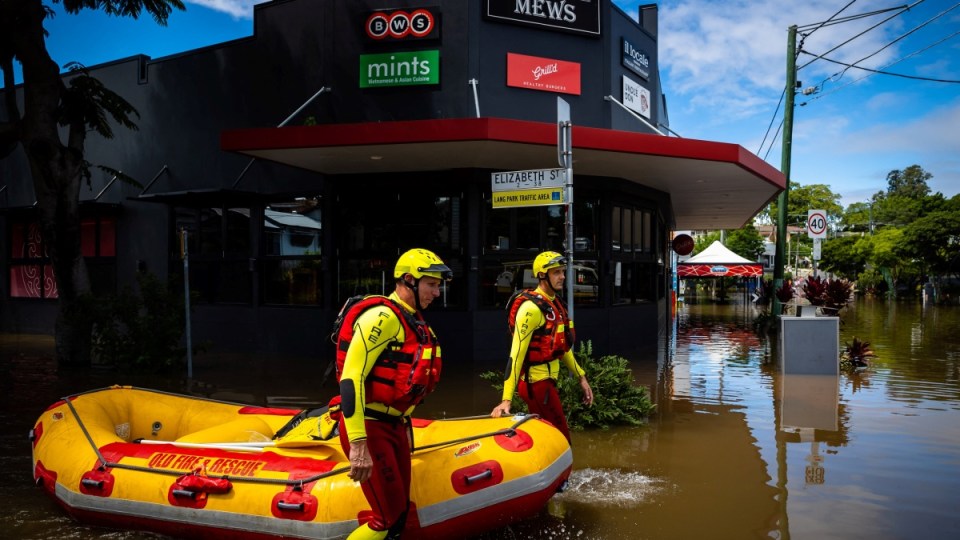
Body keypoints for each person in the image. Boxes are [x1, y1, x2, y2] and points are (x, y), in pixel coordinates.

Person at [333, 248, 452, 540]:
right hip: (370, 428)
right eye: (432, 285)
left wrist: (405, 422)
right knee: (385, 518)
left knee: (398, 516)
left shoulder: (414, 320)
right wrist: (359, 444)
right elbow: (351, 379)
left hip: (393, 427)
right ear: (409, 280)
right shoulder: (382, 317)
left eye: (438, 286)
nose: (437, 293)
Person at [490, 251, 593, 443]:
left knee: (548, 438)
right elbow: (516, 354)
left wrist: (582, 377)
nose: (563, 276)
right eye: (556, 272)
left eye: (562, 271)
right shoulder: (530, 309)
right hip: (536, 384)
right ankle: (564, 472)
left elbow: (562, 348)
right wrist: (506, 399)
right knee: (561, 438)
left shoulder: (555, 304)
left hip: (546, 382)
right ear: (541, 275)